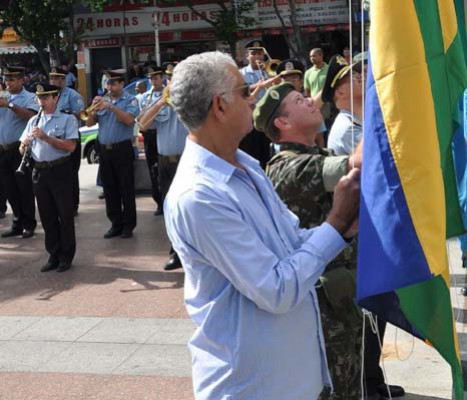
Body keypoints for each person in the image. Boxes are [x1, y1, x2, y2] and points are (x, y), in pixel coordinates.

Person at [165, 51, 361, 400]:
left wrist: (341, 230)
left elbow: (291, 239)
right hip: (253, 386)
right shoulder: (200, 195)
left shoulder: (246, 166)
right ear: (219, 106)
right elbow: (276, 290)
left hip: (289, 381)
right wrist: (335, 223)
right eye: (244, 91)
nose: (253, 97)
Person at [254, 81, 363, 399]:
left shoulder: (318, 154)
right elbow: (358, 164)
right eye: (299, 101)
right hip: (318, 306)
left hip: (341, 297)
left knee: (351, 383)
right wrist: (379, 108)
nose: (310, 101)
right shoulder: (287, 167)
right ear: (282, 122)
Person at [321, 56, 405, 400]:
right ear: (339, 93)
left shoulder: (357, 121)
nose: (361, 79)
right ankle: (366, 381)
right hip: (363, 232)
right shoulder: (348, 128)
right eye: (352, 78)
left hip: (369, 229)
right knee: (369, 310)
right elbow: (376, 164)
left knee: (376, 309)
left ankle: (372, 376)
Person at [19, 83, 78, 272]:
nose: (41, 102)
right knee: (47, 216)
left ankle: (66, 256)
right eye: (39, 98)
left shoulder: (68, 119)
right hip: (39, 172)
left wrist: (46, 138)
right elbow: (21, 149)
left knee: (65, 215)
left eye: (45, 98)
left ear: (55, 98)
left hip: (60, 171)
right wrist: (24, 145)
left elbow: (70, 146)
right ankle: (54, 254)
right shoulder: (33, 121)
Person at [139, 69, 188, 271]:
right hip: (164, 162)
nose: (171, 81)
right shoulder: (161, 102)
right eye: (170, 78)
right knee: (170, 208)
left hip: (185, 161)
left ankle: (191, 251)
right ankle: (176, 251)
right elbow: (143, 125)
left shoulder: (190, 101)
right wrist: (159, 103)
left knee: (187, 209)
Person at [85, 69, 139, 239]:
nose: (109, 87)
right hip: (104, 150)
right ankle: (115, 223)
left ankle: (128, 225)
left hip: (122, 149)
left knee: (126, 188)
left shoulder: (130, 100)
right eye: (108, 83)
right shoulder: (103, 100)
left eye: (113, 83)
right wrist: (93, 110)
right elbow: (89, 123)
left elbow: (129, 120)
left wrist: (111, 107)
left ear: (121, 84)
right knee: (109, 189)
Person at [0, 66, 38, 238]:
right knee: (9, 189)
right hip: (3, 149)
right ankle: (17, 222)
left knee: (24, 188)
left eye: (12, 79)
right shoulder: (3, 95)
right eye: (6, 79)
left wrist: (9, 105)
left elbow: (31, 116)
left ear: (21, 80)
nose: (8, 83)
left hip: (19, 150)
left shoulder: (29, 97)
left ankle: (29, 224)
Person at [238, 40, 280, 168]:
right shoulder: (241, 73)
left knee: (270, 152)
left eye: (260, 53)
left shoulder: (270, 70)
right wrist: (259, 85)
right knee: (254, 152)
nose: (257, 56)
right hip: (251, 119)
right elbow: (241, 91)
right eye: (254, 53)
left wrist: (272, 77)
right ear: (247, 56)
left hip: (269, 118)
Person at [49, 66, 85, 216]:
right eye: (52, 78)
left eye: (56, 78)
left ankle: (73, 205)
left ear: (64, 80)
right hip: (52, 138)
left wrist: (65, 114)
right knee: (56, 173)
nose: (53, 81)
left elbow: (80, 114)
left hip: (69, 137)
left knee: (71, 173)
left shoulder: (72, 95)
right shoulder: (48, 95)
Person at [276, 59, 325, 148]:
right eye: (286, 80)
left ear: (301, 82)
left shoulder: (309, 105)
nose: (290, 83)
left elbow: (319, 138)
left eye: (294, 79)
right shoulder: (276, 107)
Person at [322, 56, 364, 155]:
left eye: (357, 73)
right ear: (340, 93)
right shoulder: (348, 128)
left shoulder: (356, 119)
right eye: (353, 75)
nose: (360, 77)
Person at [137, 66, 164, 215]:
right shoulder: (144, 97)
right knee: (153, 169)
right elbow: (140, 119)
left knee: (165, 167)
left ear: (161, 78)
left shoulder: (167, 93)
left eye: (156, 78)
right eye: (151, 78)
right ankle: (159, 202)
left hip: (163, 133)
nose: (153, 81)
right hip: (150, 134)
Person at [305, 48, 333, 131]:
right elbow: (307, 90)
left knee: (329, 128)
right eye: (310, 56)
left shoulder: (330, 70)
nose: (312, 58)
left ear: (321, 56)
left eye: (314, 56)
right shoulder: (308, 73)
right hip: (315, 106)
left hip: (328, 105)